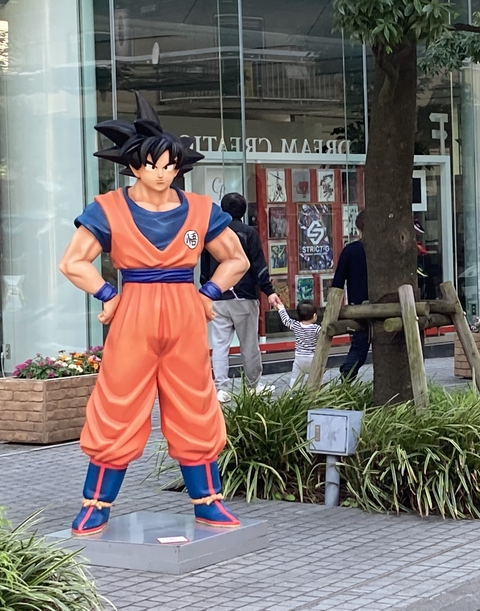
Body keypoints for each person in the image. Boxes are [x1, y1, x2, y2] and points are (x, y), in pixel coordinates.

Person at [59, 93, 249, 536]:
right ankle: (95, 504)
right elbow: (73, 262)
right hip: (135, 311)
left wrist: (208, 292)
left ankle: (208, 501)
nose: (162, 173)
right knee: (118, 404)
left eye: (170, 165)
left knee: (195, 403)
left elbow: (235, 258)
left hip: (184, 311)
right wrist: (107, 293)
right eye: (153, 164)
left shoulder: (200, 209)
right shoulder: (108, 208)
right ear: (134, 166)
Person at [201, 192, 280, 400]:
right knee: (249, 344)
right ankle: (253, 385)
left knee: (220, 345)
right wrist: (269, 291)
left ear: (222, 209)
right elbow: (258, 265)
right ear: (243, 211)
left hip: (217, 296)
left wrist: (207, 290)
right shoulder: (248, 233)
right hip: (244, 297)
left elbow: (204, 269)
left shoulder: (212, 233)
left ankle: (221, 388)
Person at [332, 209, 369, 380]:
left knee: (359, 347)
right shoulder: (386, 253)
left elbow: (338, 282)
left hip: (358, 307)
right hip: (386, 305)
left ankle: (346, 377)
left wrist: (333, 311)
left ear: (359, 228)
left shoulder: (350, 251)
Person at [275, 298, 320, 385]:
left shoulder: (296, 325)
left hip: (299, 358)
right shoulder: (317, 329)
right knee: (315, 379)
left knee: (295, 379)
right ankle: (313, 391)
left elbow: (286, 320)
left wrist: (281, 309)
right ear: (314, 315)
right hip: (312, 358)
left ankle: (293, 391)